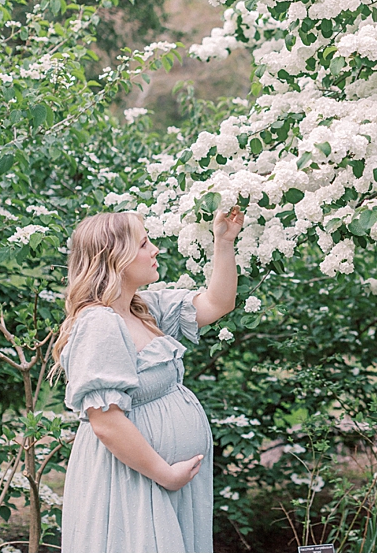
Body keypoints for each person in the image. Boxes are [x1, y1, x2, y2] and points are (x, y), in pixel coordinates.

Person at [52, 206, 244, 552]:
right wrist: (165, 474)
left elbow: (218, 303)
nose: (154, 250)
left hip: (160, 478)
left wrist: (224, 241)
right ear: (114, 257)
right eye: (143, 244)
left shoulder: (144, 308)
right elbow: (106, 422)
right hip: (134, 478)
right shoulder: (99, 324)